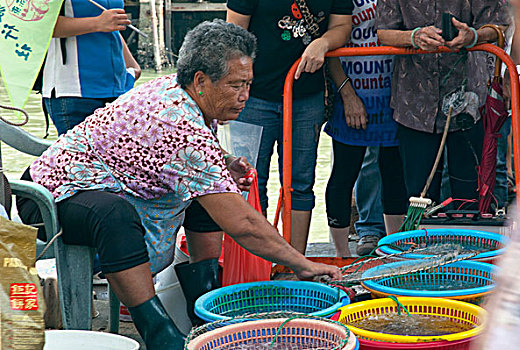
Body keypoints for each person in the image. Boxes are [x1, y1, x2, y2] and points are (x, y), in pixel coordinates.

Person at [16, 20, 341, 349]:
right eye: (235, 85)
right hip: (48, 200)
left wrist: (223, 161)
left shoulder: (185, 92)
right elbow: (243, 224)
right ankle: (158, 331)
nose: (245, 96)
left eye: (248, 84)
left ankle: (204, 303)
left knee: (209, 193)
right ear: (201, 80)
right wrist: (302, 264)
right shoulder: (176, 119)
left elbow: (188, 159)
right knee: (115, 215)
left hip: (107, 185)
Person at [226, 0, 353, 254]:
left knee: (301, 183)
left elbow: (341, 25)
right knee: (247, 181)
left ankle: (295, 263)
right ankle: (255, 261)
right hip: (253, 96)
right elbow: (233, 34)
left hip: (306, 96)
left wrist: (323, 42)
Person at [375, 0, 511, 209]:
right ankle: (419, 241)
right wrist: (413, 36)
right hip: (415, 101)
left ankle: (468, 240)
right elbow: (384, 31)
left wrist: (472, 36)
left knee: (470, 197)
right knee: (418, 197)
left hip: (469, 100)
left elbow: (498, 25)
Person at [324, 0, 407, 257]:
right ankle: (341, 254)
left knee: (394, 172)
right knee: (344, 172)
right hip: (352, 91)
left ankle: (395, 249)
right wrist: (347, 95)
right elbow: (331, 43)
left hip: (393, 94)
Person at [42, 0, 141, 136]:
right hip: (74, 93)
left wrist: (132, 66)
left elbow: (112, 27)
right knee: (81, 156)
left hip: (116, 91)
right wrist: (98, 23)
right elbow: (40, 24)